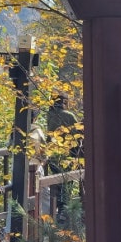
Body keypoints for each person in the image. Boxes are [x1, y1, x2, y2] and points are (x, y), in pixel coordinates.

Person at [46, 94, 82, 223]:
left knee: (57, 182)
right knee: (67, 182)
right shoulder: (69, 115)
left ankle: (57, 209)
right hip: (67, 155)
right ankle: (63, 211)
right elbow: (79, 133)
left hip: (53, 154)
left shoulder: (49, 115)